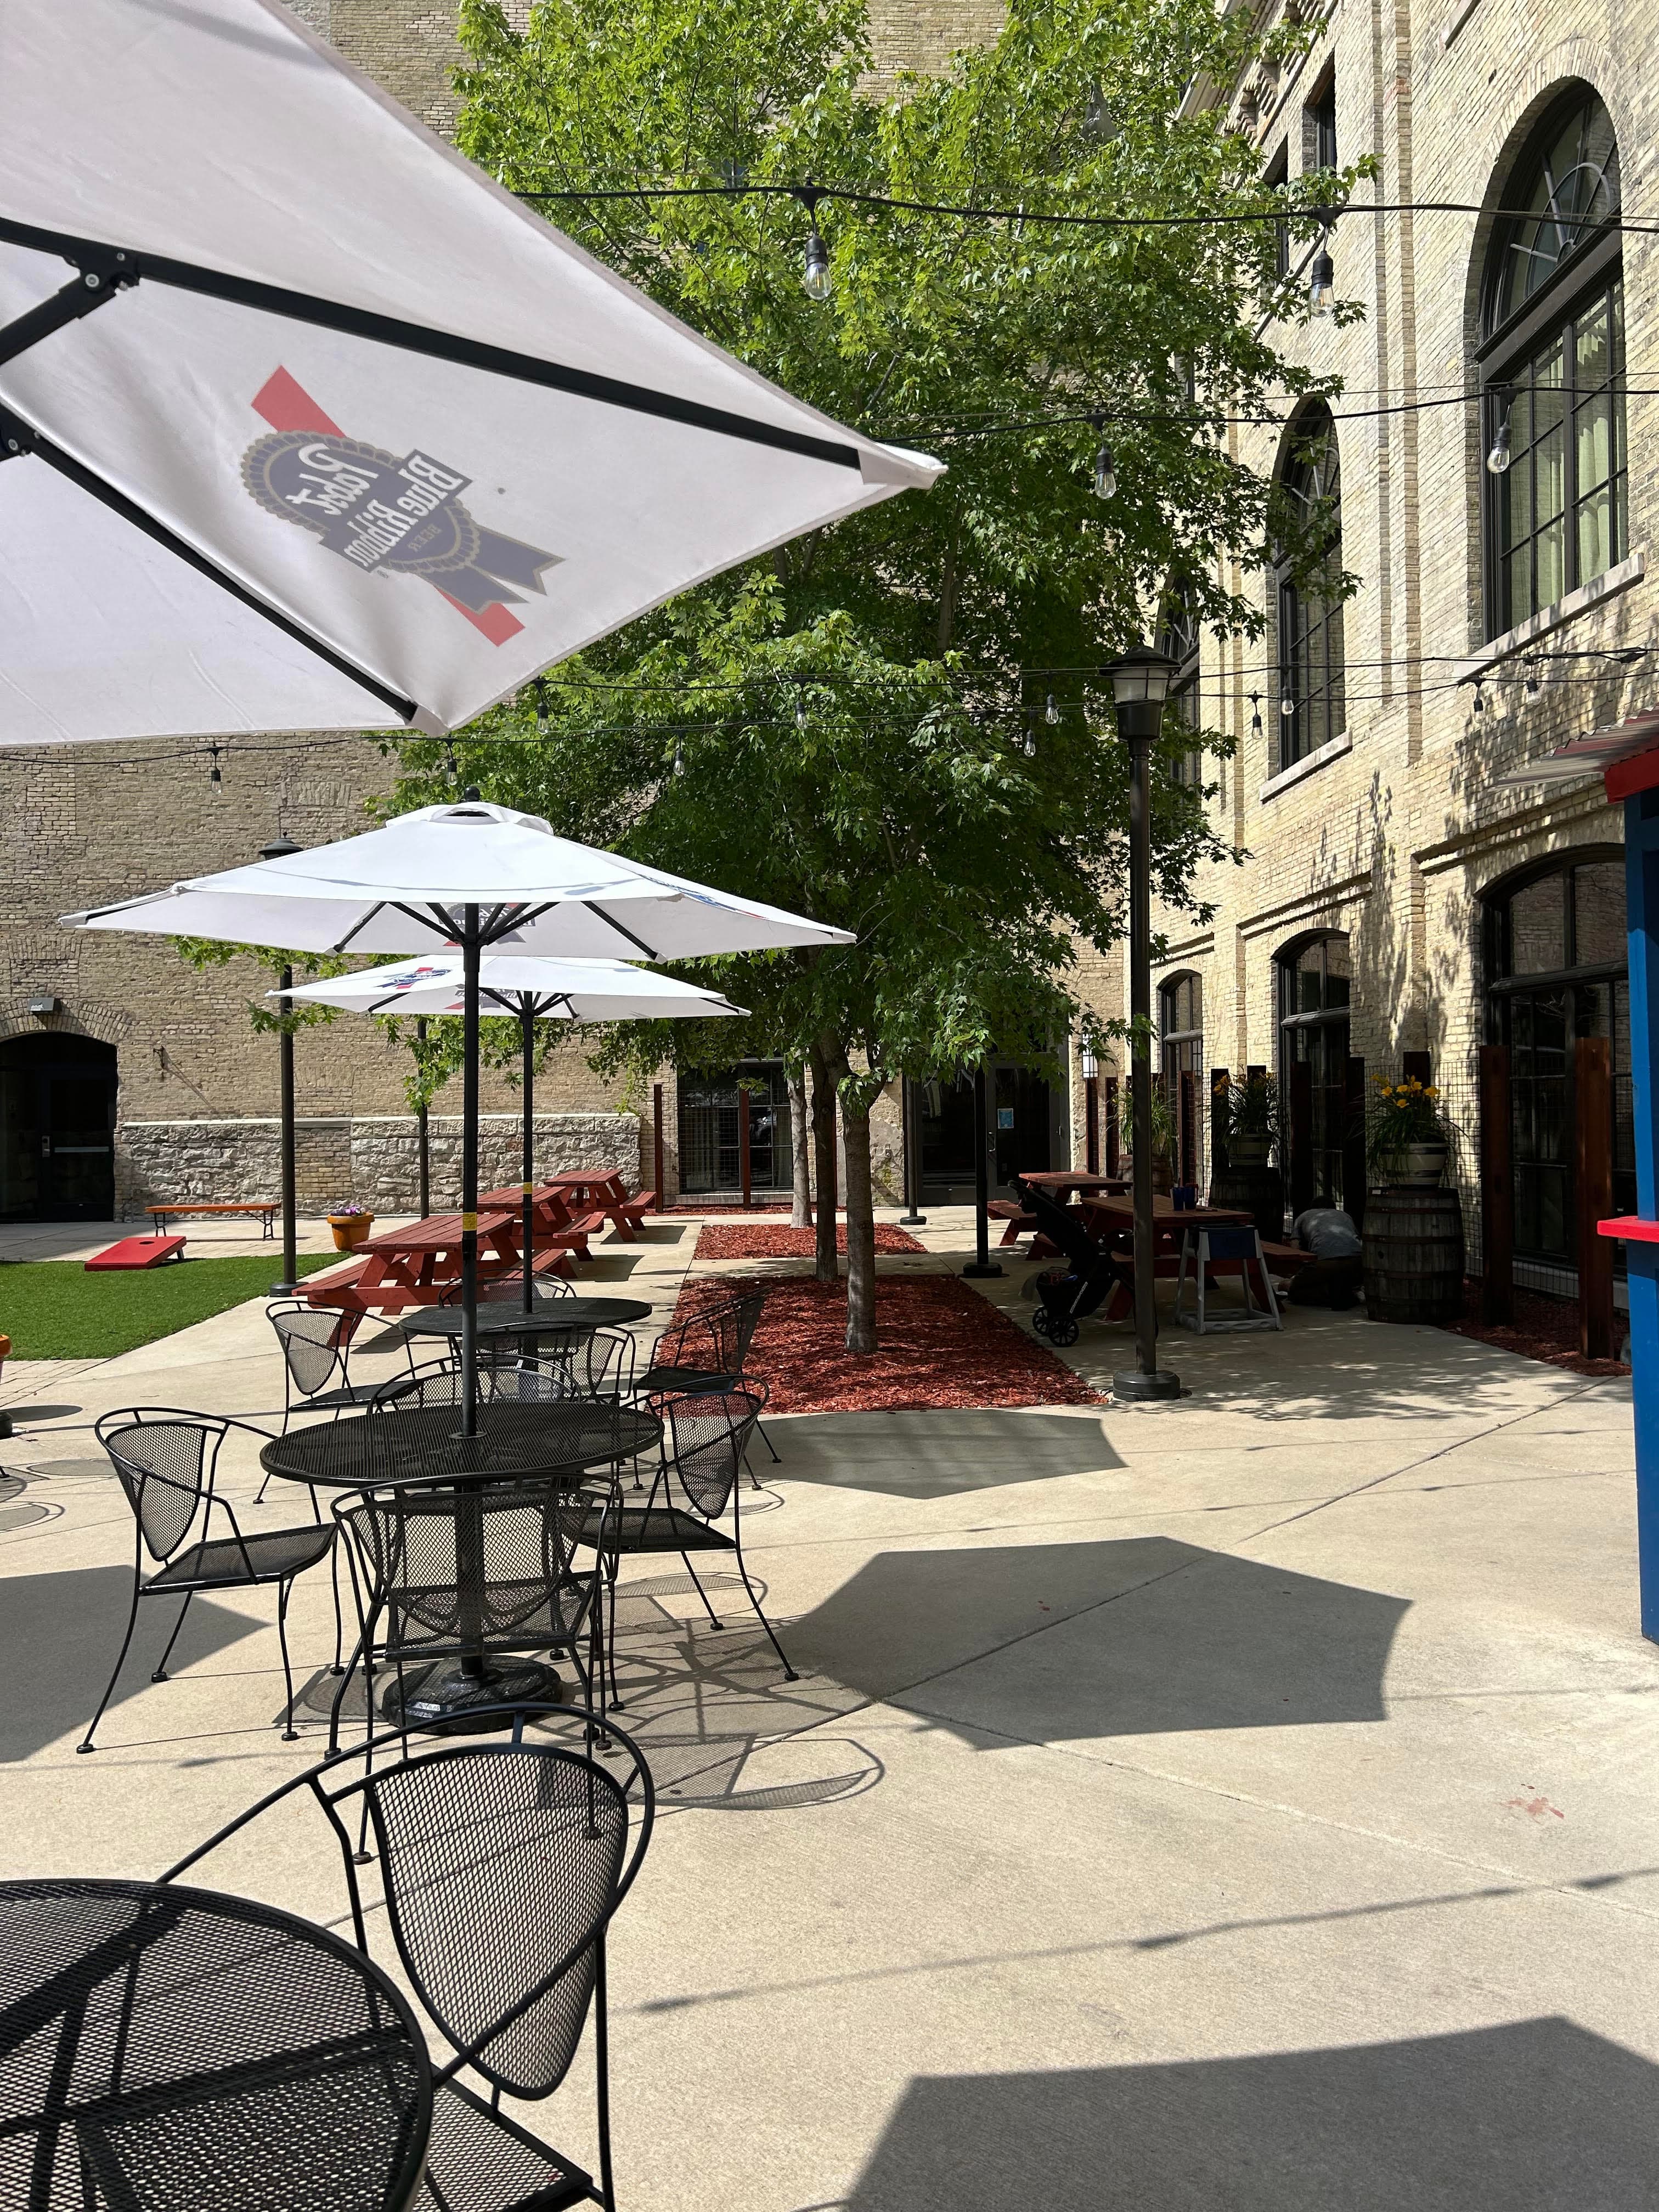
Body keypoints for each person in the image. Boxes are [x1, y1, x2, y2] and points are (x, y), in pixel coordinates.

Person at [1288, 1205, 1363, 1308]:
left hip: (1324, 1262)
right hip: (1356, 1262)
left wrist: (1297, 1274)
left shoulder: (1304, 1216)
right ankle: (1344, 1292)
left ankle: (1332, 1295)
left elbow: (1295, 1248)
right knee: (1343, 1277)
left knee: (1293, 1292)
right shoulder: (1345, 1215)